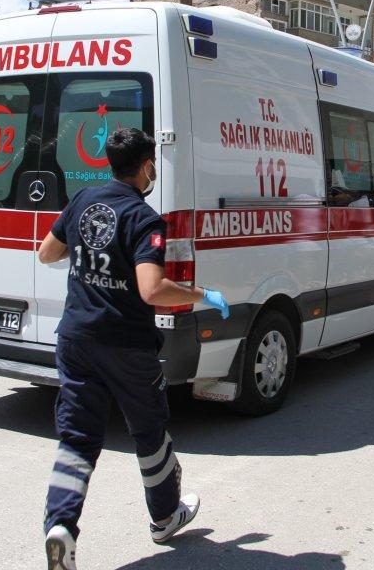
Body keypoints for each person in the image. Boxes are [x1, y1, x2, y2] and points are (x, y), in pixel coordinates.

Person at [37, 128, 230, 570]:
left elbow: (47, 253)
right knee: (148, 432)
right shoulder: (144, 218)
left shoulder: (83, 201)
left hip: (76, 338)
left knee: (78, 440)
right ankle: (164, 517)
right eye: (152, 168)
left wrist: (90, 258)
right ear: (146, 167)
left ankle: (60, 528)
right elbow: (152, 290)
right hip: (125, 344)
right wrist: (202, 295)